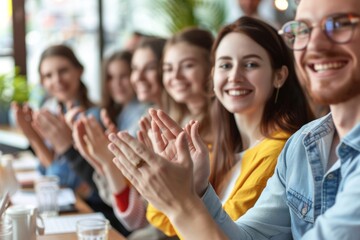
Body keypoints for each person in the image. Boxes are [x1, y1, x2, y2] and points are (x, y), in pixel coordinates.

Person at [108, 0, 360, 239]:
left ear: (279, 75)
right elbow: (245, 237)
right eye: (303, 30)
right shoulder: (301, 145)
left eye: (339, 25)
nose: (315, 45)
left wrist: (182, 203)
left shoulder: (280, 146)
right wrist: (197, 191)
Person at [146, 27, 215, 236]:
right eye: (168, 68)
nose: (175, 76)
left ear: (211, 68)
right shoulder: (174, 121)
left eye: (187, 66)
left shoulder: (224, 129)